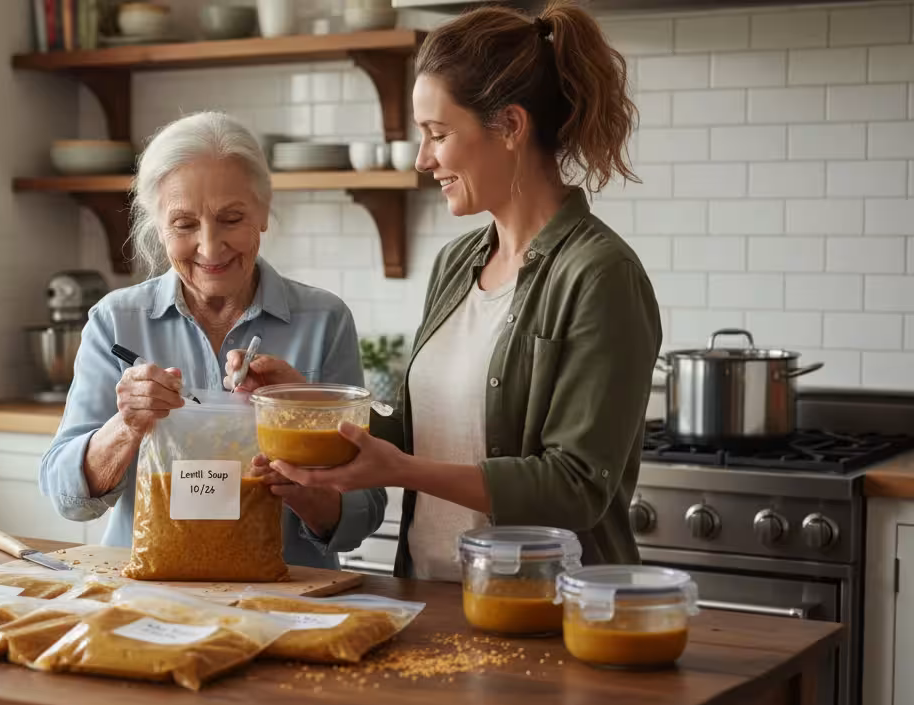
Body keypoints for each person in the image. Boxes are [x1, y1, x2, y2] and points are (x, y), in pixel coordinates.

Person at [233, 1, 661, 579]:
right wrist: (306, 400)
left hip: (543, 610)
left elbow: (575, 487)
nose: (423, 158)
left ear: (509, 126)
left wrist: (402, 470)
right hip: (432, 597)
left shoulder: (599, 274)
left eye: (438, 133)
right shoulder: (458, 262)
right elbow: (423, 430)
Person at [39, 111, 386, 569]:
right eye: (184, 224)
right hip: (145, 594)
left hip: (288, 601)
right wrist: (126, 427)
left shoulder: (324, 320)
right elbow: (67, 497)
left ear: (262, 212)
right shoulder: (115, 321)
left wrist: (300, 475)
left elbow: (364, 513)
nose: (210, 246)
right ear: (158, 226)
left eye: (231, 218)